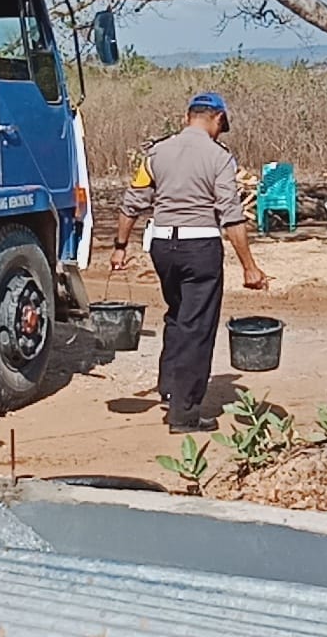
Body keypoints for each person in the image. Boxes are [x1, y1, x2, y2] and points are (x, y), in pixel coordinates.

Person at [111, 92, 270, 434]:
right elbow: (230, 215)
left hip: (163, 246)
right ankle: (183, 413)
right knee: (197, 327)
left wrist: (120, 246)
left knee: (177, 315)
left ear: (187, 118)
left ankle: (170, 387)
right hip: (200, 247)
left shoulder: (156, 153)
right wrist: (249, 266)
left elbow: (132, 202)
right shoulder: (219, 157)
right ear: (217, 120)